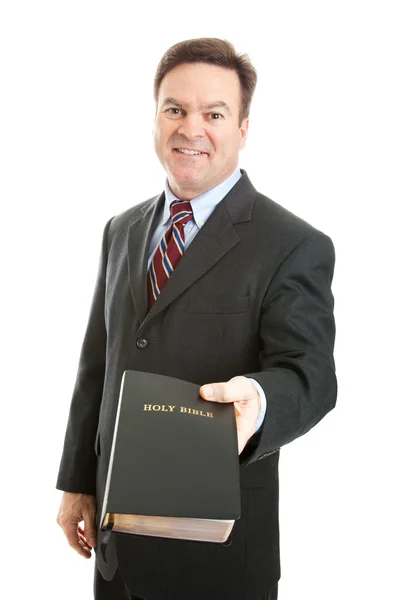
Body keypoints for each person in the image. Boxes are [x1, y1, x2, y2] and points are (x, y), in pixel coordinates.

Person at [56, 37, 337, 600]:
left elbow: (311, 376)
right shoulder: (122, 229)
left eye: (214, 113)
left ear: (243, 127)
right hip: (117, 550)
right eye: (175, 109)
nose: (191, 129)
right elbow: (98, 365)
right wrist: (77, 483)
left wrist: (256, 401)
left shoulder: (291, 244)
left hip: (217, 558)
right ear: (156, 116)